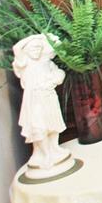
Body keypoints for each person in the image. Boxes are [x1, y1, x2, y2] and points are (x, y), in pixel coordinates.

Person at [13, 34, 72, 174]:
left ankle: (54, 148)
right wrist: (39, 36)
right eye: (33, 48)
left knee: (53, 123)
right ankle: (45, 155)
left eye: (39, 47)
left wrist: (55, 78)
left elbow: (60, 72)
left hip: (48, 97)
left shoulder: (47, 62)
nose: (36, 50)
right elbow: (16, 47)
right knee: (39, 125)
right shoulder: (24, 63)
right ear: (26, 49)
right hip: (35, 99)